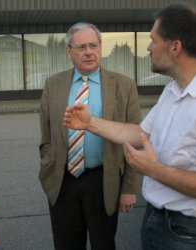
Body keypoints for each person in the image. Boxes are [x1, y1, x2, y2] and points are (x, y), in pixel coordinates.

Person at [64, 3, 196, 250]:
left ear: (175, 47)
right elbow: (140, 134)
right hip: (160, 222)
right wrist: (91, 122)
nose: (148, 48)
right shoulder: (174, 89)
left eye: (153, 41)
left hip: (195, 235)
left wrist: (153, 169)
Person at [39, 22, 142, 250]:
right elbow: (46, 136)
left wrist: (129, 188)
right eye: (81, 47)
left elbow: (136, 140)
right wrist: (48, 167)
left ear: (100, 47)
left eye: (93, 45)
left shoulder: (124, 86)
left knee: (103, 244)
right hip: (63, 181)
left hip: (103, 181)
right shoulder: (52, 85)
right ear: (69, 52)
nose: (89, 52)